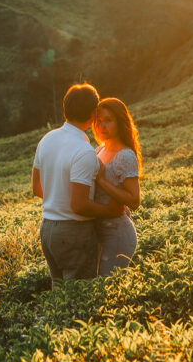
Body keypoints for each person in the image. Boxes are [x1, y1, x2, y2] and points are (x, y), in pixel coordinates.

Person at [32, 82, 124, 283]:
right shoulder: (84, 152)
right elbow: (79, 205)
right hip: (74, 232)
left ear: (66, 109)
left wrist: (58, 200)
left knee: (60, 297)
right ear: (94, 114)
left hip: (47, 229)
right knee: (77, 299)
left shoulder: (47, 139)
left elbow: (37, 188)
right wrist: (110, 210)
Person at [93, 97, 141, 275]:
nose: (102, 126)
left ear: (120, 123)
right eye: (99, 121)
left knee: (108, 286)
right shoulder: (99, 150)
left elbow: (134, 200)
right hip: (97, 232)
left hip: (118, 235)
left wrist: (102, 181)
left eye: (108, 120)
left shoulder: (125, 156)